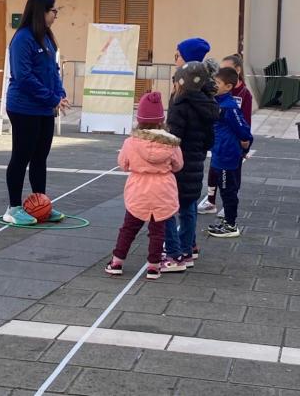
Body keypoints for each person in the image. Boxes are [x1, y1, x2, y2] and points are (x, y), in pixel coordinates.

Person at [3, 0, 70, 225]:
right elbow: (24, 77)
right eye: (54, 11)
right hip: (23, 107)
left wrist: (59, 94)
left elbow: (52, 71)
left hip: (43, 108)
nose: (56, 16)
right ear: (41, 11)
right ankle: (13, 208)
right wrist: (51, 98)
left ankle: (41, 204)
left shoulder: (47, 38)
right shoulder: (22, 38)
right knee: (22, 156)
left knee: (40, 157)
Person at [105, 92, 183, 280]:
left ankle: (117, 262)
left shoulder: (131, 142)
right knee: (158, 231)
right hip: (163, 190)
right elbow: (178, 165)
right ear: (161, 120)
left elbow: (123, 164)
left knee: (129, 228)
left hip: (138, 190)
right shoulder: (171, 143)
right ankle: (154, 267)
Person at [163, 62, 220, 271]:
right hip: (196, 161)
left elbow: (174, 137)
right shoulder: (208, 103)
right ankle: (188, 250)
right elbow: (210, 139)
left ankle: (173, 253)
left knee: (168, 207)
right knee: (189, 207)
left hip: (178, 162)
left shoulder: (180, 104)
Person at [198, 54, 252, 216]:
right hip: (219, 147)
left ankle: (229, 218)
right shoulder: (218, 97)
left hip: (229, 149)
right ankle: (212, 202)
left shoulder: (235, 99)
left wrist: (246, 141)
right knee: (216, 174)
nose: (215, 82)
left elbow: (243, 124)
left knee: (229, 182)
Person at [208, 67, 253, 238]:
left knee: (228, 190)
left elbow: (243, 129)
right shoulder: (217, 102)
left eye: (217, 83)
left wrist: (245, 146)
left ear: (228, 86)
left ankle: (231, 225)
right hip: (220, 153)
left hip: (228, 155)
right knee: (223, 187)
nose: (214, 85)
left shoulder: (229, 106)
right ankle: (227, 221)